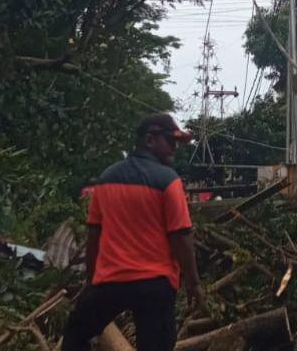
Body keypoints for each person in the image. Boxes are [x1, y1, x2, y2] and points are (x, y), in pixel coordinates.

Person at [62, 114, 204, 351]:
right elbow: (181, 236)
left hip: (110, 283)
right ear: (150, 140)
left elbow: (94, 236)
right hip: (155, 284)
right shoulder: (168, 181)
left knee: (75, 336)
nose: (174, 149)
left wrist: (91, 282)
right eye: (170, 141)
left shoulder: (106, 180)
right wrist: (193, 283)